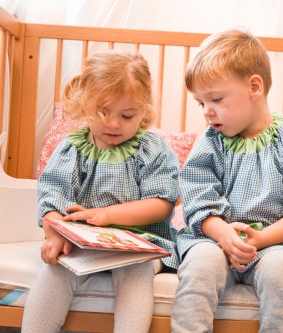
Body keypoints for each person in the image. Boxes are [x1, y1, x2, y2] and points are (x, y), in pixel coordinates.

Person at [171, 29, 283, 333]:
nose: (207, 112)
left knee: (281, 273)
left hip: (277, 245)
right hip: (214, 240)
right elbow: (197, 197)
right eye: (200, 102)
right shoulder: (210, 141)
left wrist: (262, 239)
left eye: (216, 99)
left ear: (254, 87)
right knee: (200, 265)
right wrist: (223, 235)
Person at [22, 50, 180, 333]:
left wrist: (107, 215)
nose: (113, 123)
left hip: (140, 246)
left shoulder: (153, 150)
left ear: (144, 110)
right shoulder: (72, 148)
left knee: (135, 273)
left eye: (126, 115)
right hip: (83, 245)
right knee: (55, 271)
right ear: (84, 104)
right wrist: (55, 234)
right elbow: (51, 197)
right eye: (102, 112)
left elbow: (161, 203)